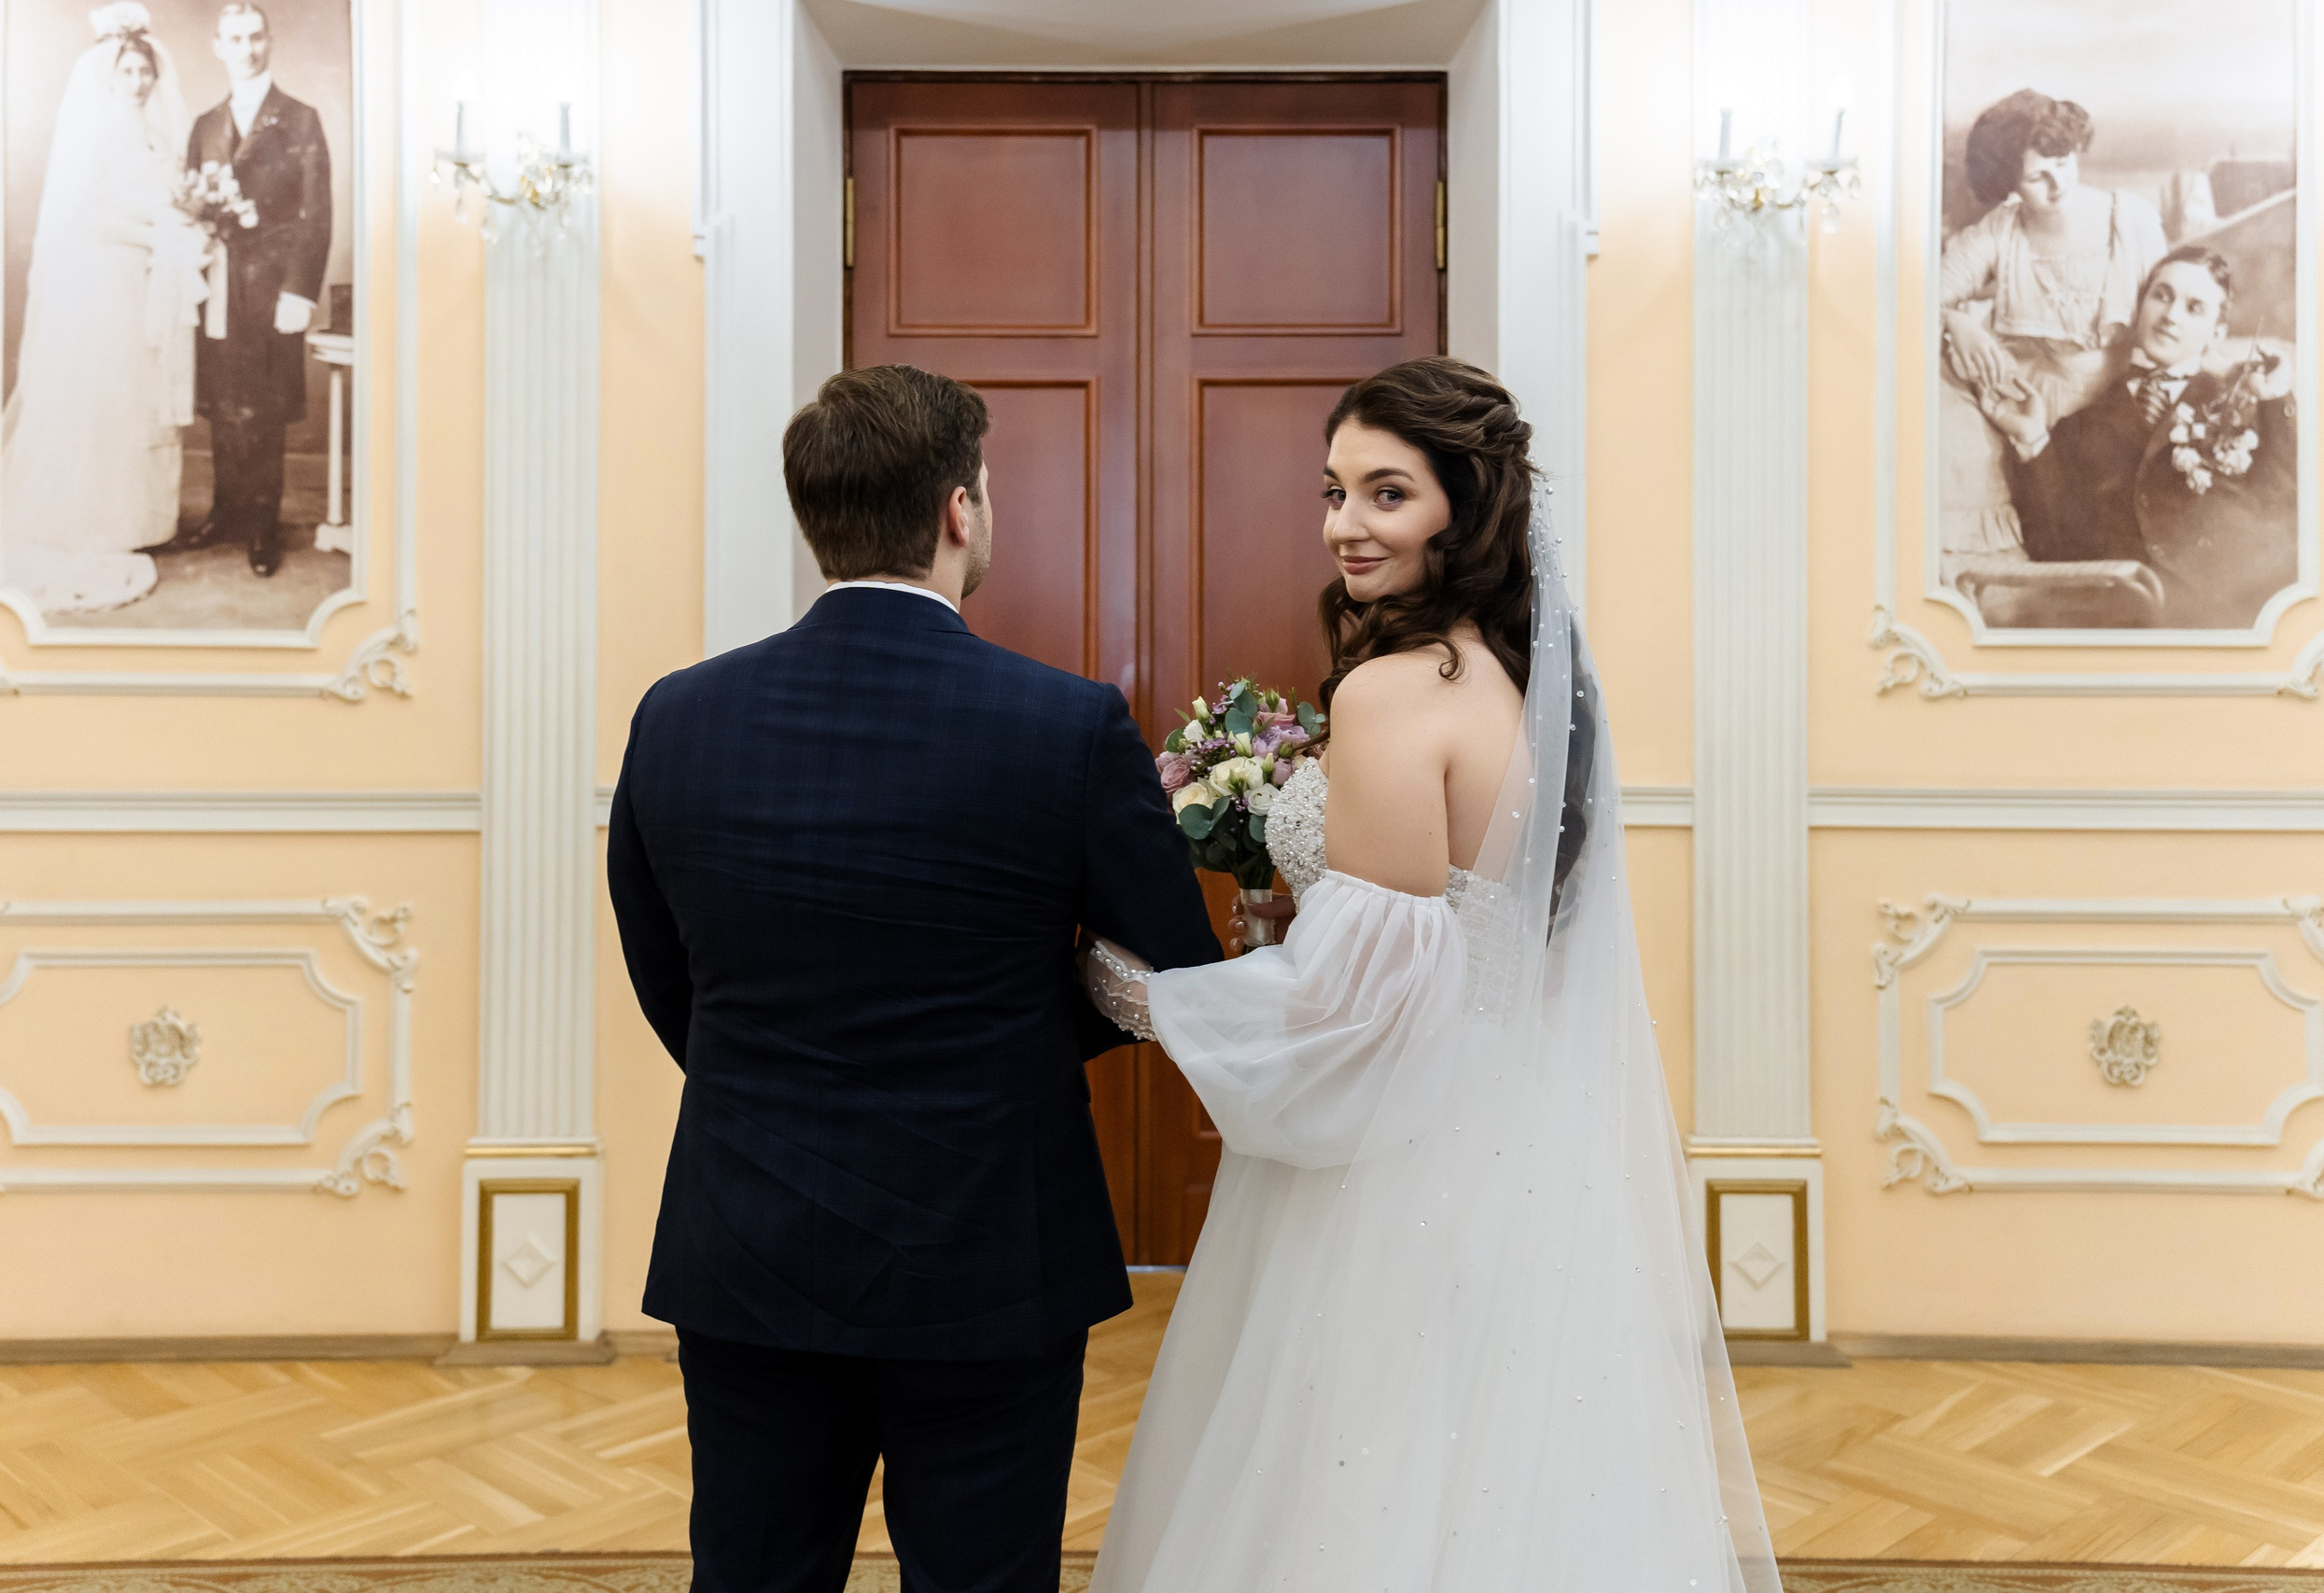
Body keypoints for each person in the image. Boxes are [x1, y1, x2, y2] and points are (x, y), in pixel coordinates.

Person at [1080, 357, 1780, 1593]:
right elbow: (1461, 937)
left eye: (1386, 493)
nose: (1347, 523)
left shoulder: (1396, 691)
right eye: (1335, 491)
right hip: (1521, 1142)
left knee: (1359, 1471)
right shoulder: (1523, 686)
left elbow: (1366, 999)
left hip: (1399, 1159)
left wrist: (1157, 1004)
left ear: (1465, 505)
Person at [607, 364, 1222, 1593]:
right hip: (989, 1245)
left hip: (749, 1238)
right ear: (959, 508)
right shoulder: (1065, 723)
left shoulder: (678, 716)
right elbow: (1176, 974)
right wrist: (1016, 1035)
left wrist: (778, 1073)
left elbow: (669, 971)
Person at [0, 3, 208, 616]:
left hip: (149, 278)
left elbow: (167, 197)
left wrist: (180, 225)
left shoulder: (162, 135)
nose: (140, 81)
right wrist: (156, 237)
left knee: (142, 390)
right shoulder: (95, 133)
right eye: (129, 72)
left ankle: (143, 517)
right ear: (109, 77)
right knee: (106, 388)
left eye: (146, 71)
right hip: (107, 278)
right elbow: (87, 216)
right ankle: (95, 518)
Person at [1978, 246, 2296, 628]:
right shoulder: (2077, 428)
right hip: (2137, 613)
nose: (2170, 316)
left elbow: (2287, 504)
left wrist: (2274, 400)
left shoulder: (2247, 401)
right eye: (2161, 296)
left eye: (2194, 307)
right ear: (2139, 308)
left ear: (2217, 333)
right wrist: (2032, 441)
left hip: (2239, 605)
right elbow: (2055, 546)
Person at [142, 3, 330, 579]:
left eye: (255, 37)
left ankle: (263, 523)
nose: (246, 49)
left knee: (266, 405)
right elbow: (192, 205)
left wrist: (299, 290)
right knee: (223, 401)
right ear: (218, 47)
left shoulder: (299, 119)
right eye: (234, 39)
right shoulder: (205, 124)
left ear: (268, 42)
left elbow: (315, 213)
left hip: (273, 287)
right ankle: (225, 512)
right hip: (218, 281)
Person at [1941, 90, 2170, 426]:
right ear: (2010, 184)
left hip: (2123, 411)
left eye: (2063, 163)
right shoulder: (2000, 231)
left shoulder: (2132, 220)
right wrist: (1953, 320)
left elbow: (2174, 314)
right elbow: (1922, 295)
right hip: (2032, 407)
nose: (2058, 183)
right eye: (2036, 177)